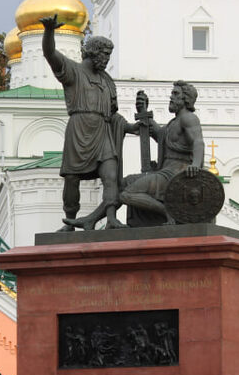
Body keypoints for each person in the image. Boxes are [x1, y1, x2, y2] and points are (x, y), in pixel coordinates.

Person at [40, 14, 128, 231]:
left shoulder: (106, 80)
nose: (107, 59)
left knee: (111, 174)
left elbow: (114, 114)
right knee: (72, 177)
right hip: (79, 129)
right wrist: (49, 31)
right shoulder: (73, 71)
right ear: (93, 52)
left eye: (109, 56)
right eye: (105, 54)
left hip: (103, 130)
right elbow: (50, 54)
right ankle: (70, 221)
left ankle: (111, 218)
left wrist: (131, 127)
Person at [119, 80, 204, 226]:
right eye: (172, 93)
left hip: (175, 173)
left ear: (186, 99)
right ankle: (113, 220)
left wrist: (195, 165)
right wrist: (143, 113)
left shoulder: (188, 118)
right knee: (124, 183)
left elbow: (198, 142)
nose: (171, 97)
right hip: (165, 171)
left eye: (175, 94)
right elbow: (161, 136)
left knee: (127, 194)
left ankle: (167, 211)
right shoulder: (174, 122)